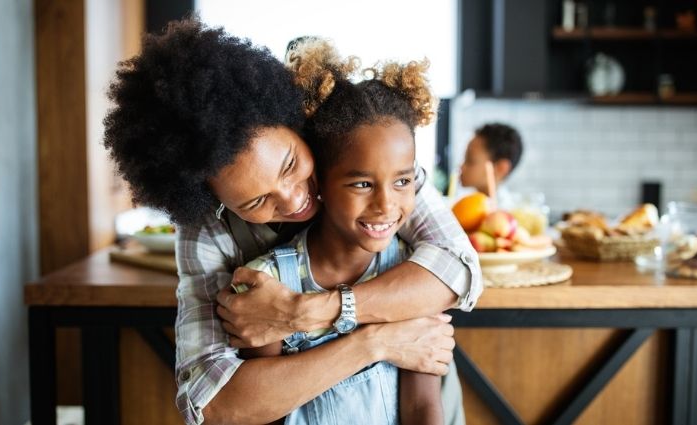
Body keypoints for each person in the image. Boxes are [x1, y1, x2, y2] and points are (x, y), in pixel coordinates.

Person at [103, 18, 481, 425]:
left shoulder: (368, 165)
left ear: (296, 123)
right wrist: (376, 342)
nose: (294, 198)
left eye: (290, 165)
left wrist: (307, 313)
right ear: (214, 201)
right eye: (258, 200)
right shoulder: (210, 235)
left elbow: (457, 268)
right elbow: (213, 404)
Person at [238, 39, 443, 425]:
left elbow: (421, 407)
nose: (386, 205)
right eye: (362, 184)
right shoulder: (268, 286)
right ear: (319, 184)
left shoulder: (411, 277)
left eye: (402, 181)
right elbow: (263, 411)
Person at [459, 123, 523, 203]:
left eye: (470, 161)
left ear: (500, 168)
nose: (461, 167)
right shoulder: (462, 204)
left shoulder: (505, 212)